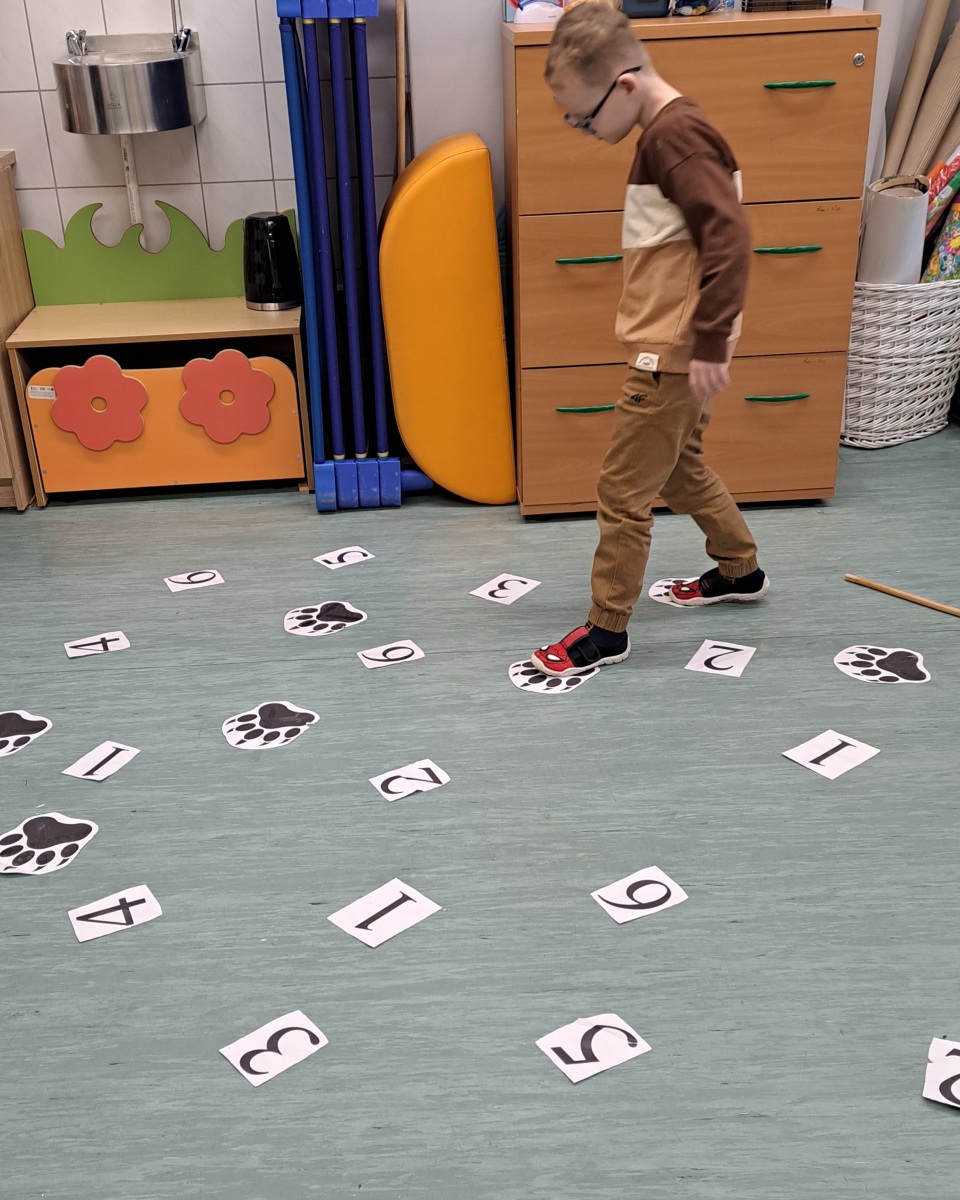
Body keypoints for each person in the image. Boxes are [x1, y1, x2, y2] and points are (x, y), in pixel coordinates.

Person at [531, 0, 769, 679]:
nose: (584, 130)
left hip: (670, 351)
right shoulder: (672, 130)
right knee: (680, 466)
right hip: (680, 344)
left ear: (626, 84)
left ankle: (607, 629)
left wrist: (710, 341)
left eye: (584, 116)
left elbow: (729, 236)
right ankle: (740, 569)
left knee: (622, 490)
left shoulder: (673, 137)